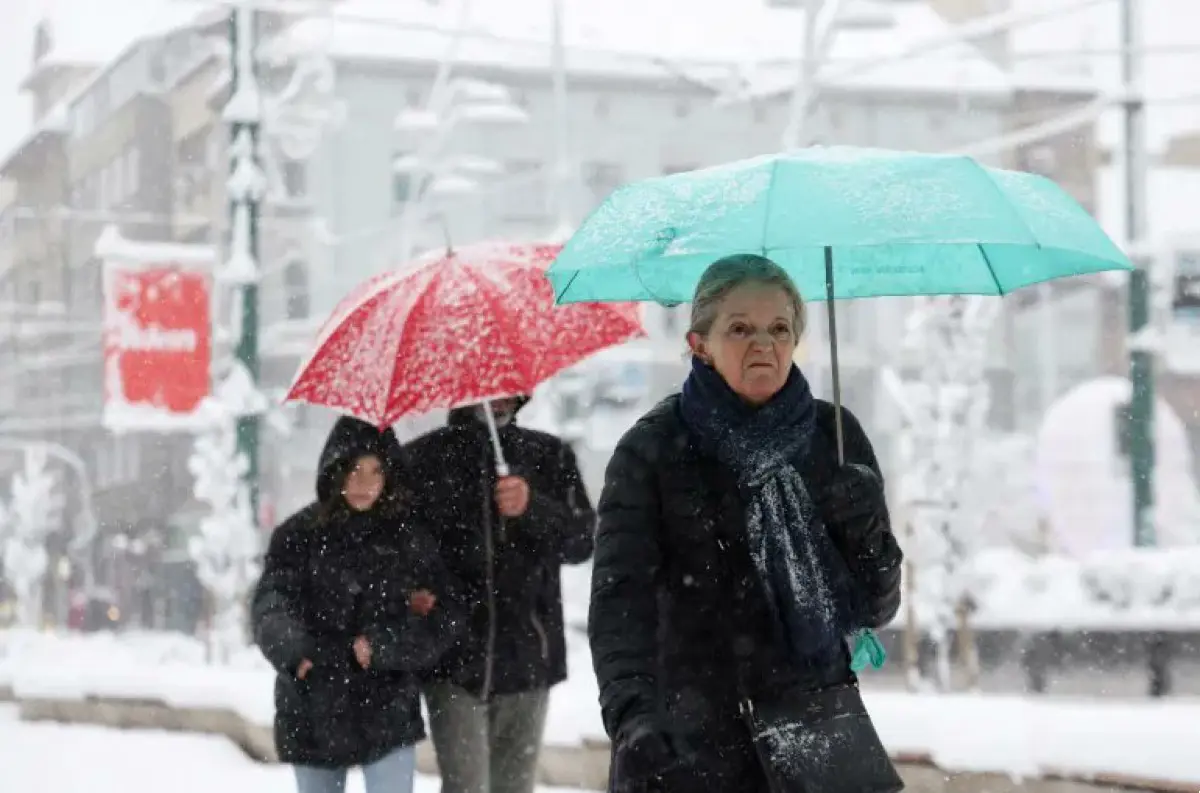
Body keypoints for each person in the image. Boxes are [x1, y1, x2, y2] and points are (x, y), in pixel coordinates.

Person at [589, 254, 904, 793]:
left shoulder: (835, 437)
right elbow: (621, 604)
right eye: (740, 328)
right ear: (699, 344)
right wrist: (632, 718)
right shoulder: (653, 449)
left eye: (779, 328)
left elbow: (877, 607)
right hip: (687, 740)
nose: (764, 344)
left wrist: (868, 530)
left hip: (815, 735)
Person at [252, 416, 462, 793]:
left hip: (387, 708)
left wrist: (384, 647)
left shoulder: (410, 539)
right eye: (354, 469)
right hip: (313, 700)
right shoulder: (298, 536)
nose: (365, 483)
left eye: (376, 470)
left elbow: (446, 615)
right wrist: (297, 654)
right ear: (335, 471)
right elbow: (272, 604)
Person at [398, 397, 596, 793]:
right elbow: (397, 549)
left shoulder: (550, 455)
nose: (499, 392)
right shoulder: (422, 460)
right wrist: (412, 593)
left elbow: (582, 541)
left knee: (514, 787)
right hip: (452, 660)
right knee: (466, 786)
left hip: (528, 659)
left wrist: (532, 507)